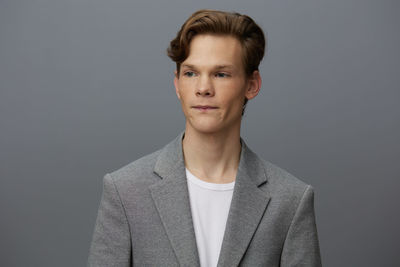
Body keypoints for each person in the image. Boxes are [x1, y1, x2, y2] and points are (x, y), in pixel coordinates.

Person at [88, 9, 322, 267]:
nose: (203, 88)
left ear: (252, 85)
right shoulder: (125, 192)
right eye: (191, 73)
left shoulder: (290, 200)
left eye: (221, 74)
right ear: (177, 84)